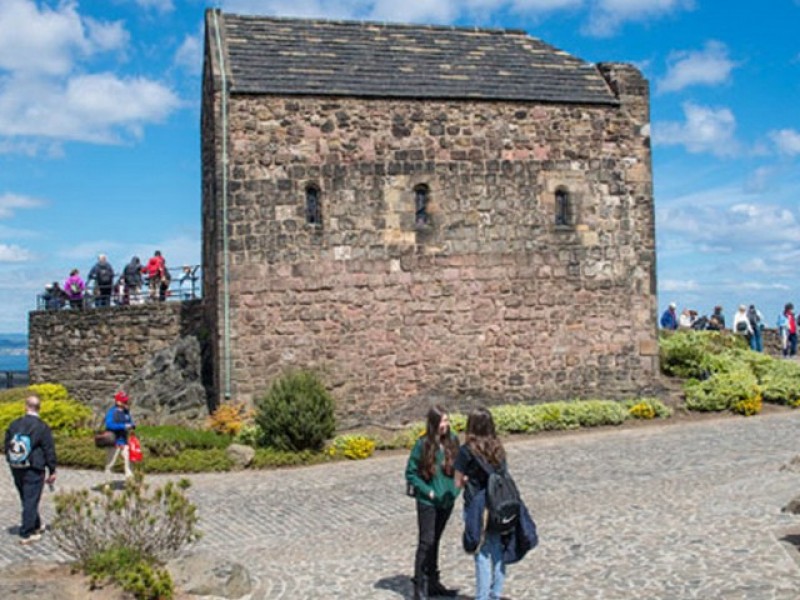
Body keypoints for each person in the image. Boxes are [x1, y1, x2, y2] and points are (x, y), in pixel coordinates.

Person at [405, 406, 460, 599]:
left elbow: (460, 467)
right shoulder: (422, 444)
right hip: (427, 502)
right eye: (442, 421)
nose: (445, 425)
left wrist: (456, 489)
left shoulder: (453, 441)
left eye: (447, 421)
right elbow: (411, 473)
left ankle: (433, 582)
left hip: (446, 501)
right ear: (433, 423)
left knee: (436, 540)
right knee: (426, 541)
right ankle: (419, 586)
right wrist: (427, 492)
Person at [454, 408, 508, 600]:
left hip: (477, 507)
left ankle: (483, 597)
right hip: (499, 506)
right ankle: (496, 593)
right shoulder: (498, 448)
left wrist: (467, 479)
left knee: (481, 553)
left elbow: (457, 482)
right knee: (498, 550)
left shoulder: (466, 451)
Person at [4, 394, 57, 544]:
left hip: (17, 465)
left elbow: (6, 444)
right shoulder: (42, 426)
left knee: (26, 497)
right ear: (39, 408)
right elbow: (49, 449)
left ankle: (36, 524)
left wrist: (10, 460)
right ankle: (27, 532)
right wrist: (52, 469)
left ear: (26, 406)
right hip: (34, 467)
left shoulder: (14, 424)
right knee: (31, 498)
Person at [104, 390, 135, 478]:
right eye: (124, 401)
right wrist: (123, 426)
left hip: (124, 441)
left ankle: (131, 483)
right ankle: (107, 484)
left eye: (126, 400)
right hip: (114, 442)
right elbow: (109, 425)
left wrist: (132, 426)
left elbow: (130, 421)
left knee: (129, 462)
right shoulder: (112, 412)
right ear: (118, 401)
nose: (126, 402)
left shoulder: (126, 412)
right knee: (110, 464)